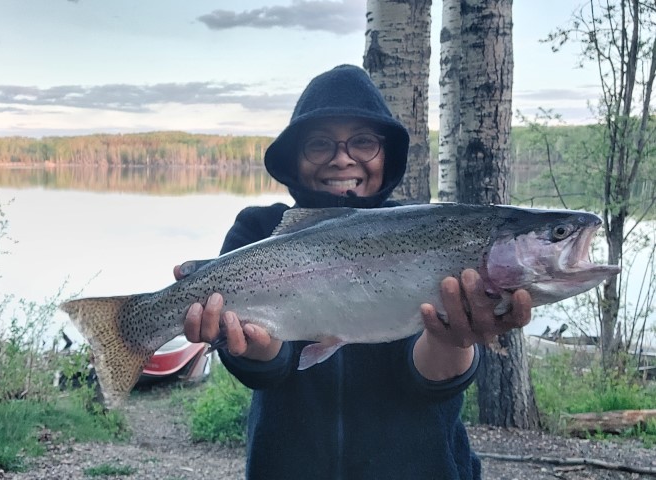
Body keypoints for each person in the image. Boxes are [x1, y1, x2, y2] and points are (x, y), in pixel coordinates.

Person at [175, 64, 532, 479]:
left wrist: (455, 337)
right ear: (294, 158)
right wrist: (255, 346)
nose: (342, 157)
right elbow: (271, 368)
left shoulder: (430, 233)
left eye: (363, 142)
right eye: (319, 144)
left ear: (387, 154)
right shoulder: (259, 232)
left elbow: (426, 382)